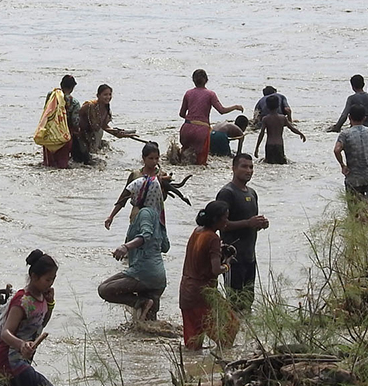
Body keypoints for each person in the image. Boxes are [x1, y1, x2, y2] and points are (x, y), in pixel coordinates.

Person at [100, 142, 170, 321]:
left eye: (157, 158)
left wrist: (126, 246)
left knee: (104, 289)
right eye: (151, 158)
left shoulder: (146, 213)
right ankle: (145, 307)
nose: (154, 162)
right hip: (158, 276)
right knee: (146, 325)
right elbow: (165, 246)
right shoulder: (156, 216)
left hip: (145, 273)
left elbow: (144, 236)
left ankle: (141, 302)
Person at [0, 250, 57, 386]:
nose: (51, 283)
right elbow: (5, 332)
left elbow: (42, 323)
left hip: (21, 360)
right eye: (48, 279)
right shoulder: (23, 301)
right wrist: (21, 344)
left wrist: (50, 304)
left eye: (53, 279)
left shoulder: (42, 297)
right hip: (9, 360)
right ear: (34, 276)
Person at [180, 201, 239, 350]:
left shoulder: (197, 231)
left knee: (193, 341)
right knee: (230, 327)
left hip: (186, 291)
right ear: (215, 220)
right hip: (203, 293)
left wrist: (218, 251)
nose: (227, 222)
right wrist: (227, 263)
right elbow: (216, 270)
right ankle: (224, 362)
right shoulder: (213, 238)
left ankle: (192, 370)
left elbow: (200, 256)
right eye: (225, 218)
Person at [216, 154, 269, 312]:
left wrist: (260, 224)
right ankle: (229, 335)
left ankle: (246, 336)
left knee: (248, 301)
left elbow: (251, 223)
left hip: (249, 257)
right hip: (232, 259)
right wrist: (248, 223)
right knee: (234, 303)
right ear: (233, 168)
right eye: (244, 166)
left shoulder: (252, 193)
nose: (249, 170)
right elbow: (221, 225)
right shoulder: (227, 193)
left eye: (251, 167)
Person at [179, 69, 243, 166]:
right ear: (206, 80)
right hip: (202, 131)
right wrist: (235, 107)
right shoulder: (210, 94)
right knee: (200, 164)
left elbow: (181, 114)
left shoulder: (188, 93)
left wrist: (192, 120)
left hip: (187, 128)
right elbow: (221, 110)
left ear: (193, 80)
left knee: (183, 159)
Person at [77, 84, 131, 156]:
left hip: (93, 137)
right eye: (105, 94)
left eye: (110, 94)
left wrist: (117, 133)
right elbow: (76, 115)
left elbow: (103, 126)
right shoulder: (89, 105)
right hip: (80, 135)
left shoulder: (106, 109)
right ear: (98, 95)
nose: (108, 97)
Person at [39, 75, 80, 168]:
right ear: (73, 87)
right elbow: (75, 122)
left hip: (49, 133)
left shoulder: (51, 96)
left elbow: (46, 112)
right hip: (64, 135)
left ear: (61, 84)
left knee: (48, 164)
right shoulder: (74, 103)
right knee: (62, 165)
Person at [254, 96, 306, 164]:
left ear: (267, 106)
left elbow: (262, 134)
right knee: (281, 163)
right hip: (279, 145)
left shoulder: (265, 119)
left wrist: (257, 148)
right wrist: (300, 134)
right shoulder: (282, 118)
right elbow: (292, 128)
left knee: (269, 164)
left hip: (269, 145)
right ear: (278, 105)